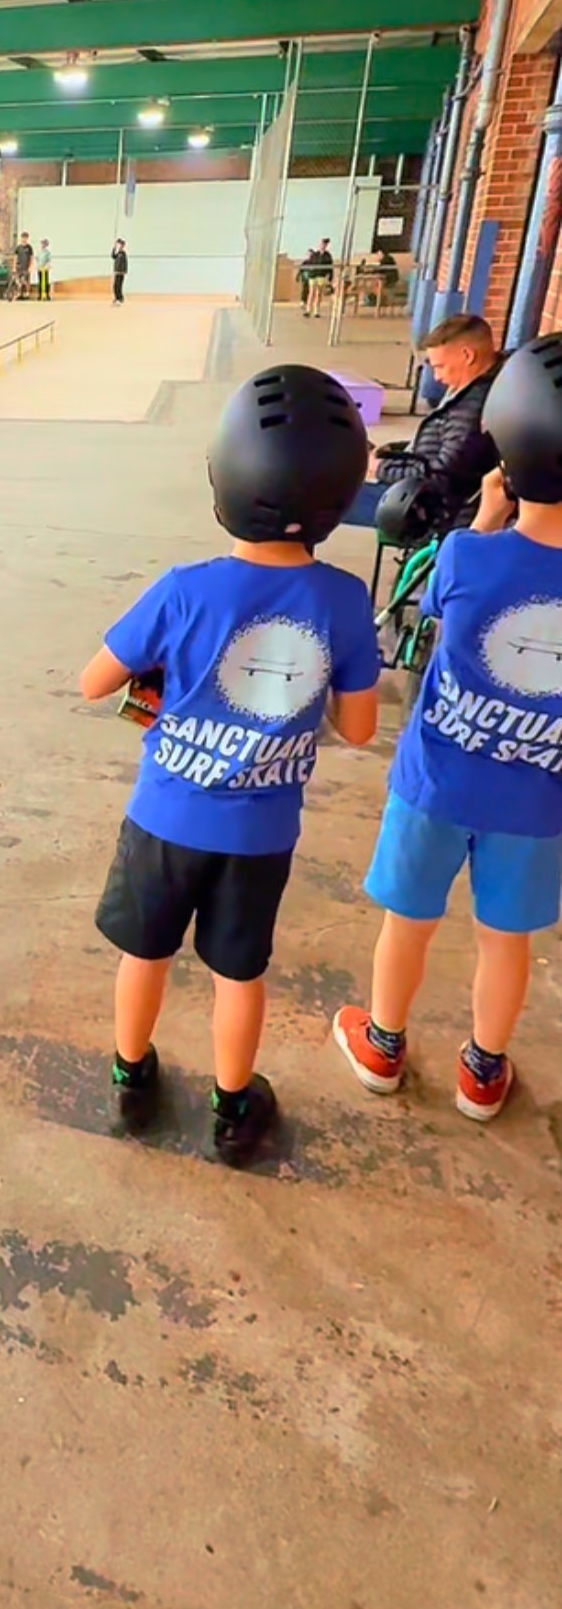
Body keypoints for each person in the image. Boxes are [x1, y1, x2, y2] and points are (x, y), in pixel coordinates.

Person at [80, 366, 380, 1163]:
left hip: (164, 820)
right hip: (260, 835)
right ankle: (231, 1105)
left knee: (145, 953)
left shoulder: (185, 590)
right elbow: (358, 728)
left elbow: (93, 681)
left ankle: (130, 1077)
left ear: (227, 476)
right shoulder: (344, 600)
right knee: (238, 974)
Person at [334, 335, 562, 1124]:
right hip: (537, 802)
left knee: (410, 922)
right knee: (506, 939)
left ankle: (383, 1045)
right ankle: (482, 1072)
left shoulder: (469, 555)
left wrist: (492, 512)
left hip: (436, 783)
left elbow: (433, 602)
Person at [347, 313, 503, 535]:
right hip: (414, 489)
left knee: (316, 497)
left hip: (422, 509)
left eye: (440, 367)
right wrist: (394, 452)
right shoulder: (474, 388)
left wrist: (380, 468)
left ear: (467, 356)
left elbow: (441, 478)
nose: (437, 377)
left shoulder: (472, 409)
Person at [13, 232, 35, 300]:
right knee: (18, 281)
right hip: (19, 267)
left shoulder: (29, 248)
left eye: (25, 238)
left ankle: (27, 294)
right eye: (23, 238)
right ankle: (19, 293)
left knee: (26, 281)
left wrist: (31, 267)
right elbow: (15, 258)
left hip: (26, 267)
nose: (24, 239)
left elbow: (31, 258)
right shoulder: (18, 248)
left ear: (27, 239)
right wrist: (14, 267)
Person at [112, 238, 129, 305]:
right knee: (115, 286)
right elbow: (113, 256)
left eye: (120, 245)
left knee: (119, 285)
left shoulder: (123, 254)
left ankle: (120, 298)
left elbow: (125, 263)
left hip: (121, 272)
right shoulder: (118, 253)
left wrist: (124, 271)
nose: (119, 246)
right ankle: (116, 297)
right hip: (116, 271)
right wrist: (114, 247)